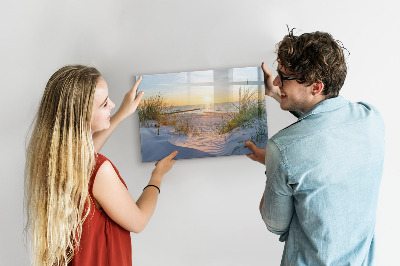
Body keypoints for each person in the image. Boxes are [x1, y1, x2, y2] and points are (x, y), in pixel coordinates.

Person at [246, 30, 385, 265]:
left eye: (284, 77)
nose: (277, 81)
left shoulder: (282, 149)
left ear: (316, 86)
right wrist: (276, 93)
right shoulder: (371, 118)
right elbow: (324, 124)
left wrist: (273, 163)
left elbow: (274, 224)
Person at [24, 65, 178, 266]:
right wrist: (157, 176)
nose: (113, 104)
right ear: (82, 117)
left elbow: (86, 156)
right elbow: (139, 221)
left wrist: (122, 113)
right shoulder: (99, 170)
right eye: (105, 104)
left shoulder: (53, 159)